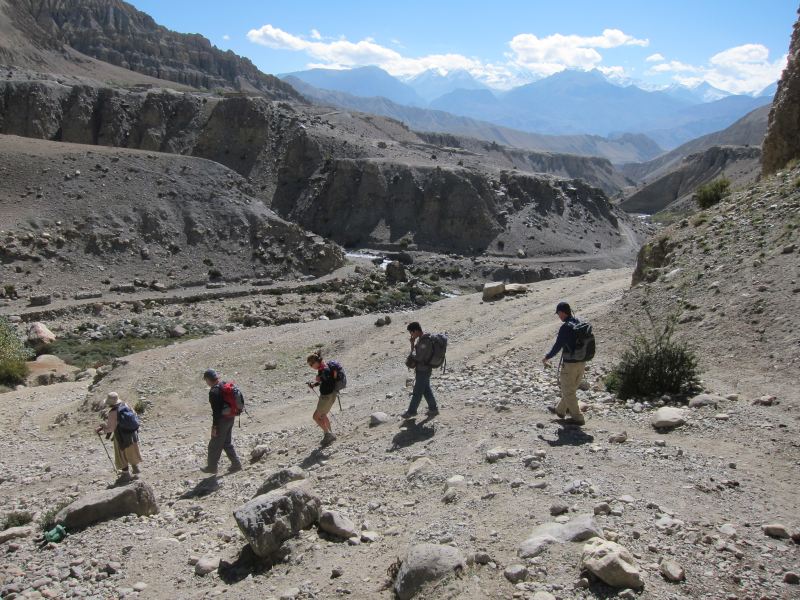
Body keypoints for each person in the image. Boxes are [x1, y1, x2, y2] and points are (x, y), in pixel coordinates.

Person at [542, 301, 586, 426]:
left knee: (568, 391)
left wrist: (547, 357)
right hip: (582, 362)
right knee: (571, 389)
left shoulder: (566, 327)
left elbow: (558, 345)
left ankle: (578, 418)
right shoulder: (580, 322)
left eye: (558, 314)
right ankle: (560, 410)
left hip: (570, 364)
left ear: (562, 312)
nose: (559, 317)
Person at [200, 369, 242, 474]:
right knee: (226, 442)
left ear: (209, 379)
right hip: (231, 417)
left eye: (206, 380)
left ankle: (212, 467)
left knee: (214, 444)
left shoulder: (214, 391)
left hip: (222, 420)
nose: (206, 382)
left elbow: (216, 412)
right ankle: (236, 464)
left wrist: (214, 427)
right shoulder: (224, 384)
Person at [95, 392, 143, 482]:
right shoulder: (126, 405)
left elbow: (111, 428)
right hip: (132, 434)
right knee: (132, 451)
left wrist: (102, 429)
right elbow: (135, 415)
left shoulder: (113, 412)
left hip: (121, 436)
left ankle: (125, 475)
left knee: (121, 454)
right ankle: (136, 468)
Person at [401, 322, 439, 419]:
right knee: (426, 390)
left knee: (417, 392)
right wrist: (412, 343)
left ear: (416, 331)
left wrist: (411, 357)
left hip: (423, 370)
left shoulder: (424, 341)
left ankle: (411, 411)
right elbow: (417, 354)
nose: (411, 335)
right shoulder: (422, 339)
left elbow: (418, 357)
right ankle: (433, 409)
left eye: (411, 332)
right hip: (423, 369)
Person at [306, 351, 337, 447]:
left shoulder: (324, 370)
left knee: (316, 417)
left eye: (312, 364)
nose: (311, 366)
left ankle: (328, 434)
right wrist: (315, 384)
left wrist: (320, 379)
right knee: (323, 415)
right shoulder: (323, 368)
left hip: (326, 397)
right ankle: (330, 433)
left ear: (316, 361)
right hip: (331, 395)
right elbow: (325, 381)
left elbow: (328, 382)